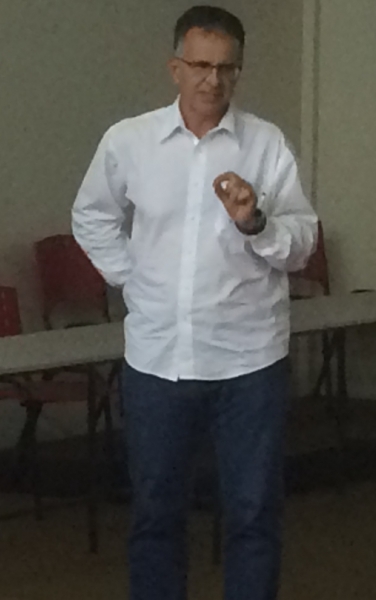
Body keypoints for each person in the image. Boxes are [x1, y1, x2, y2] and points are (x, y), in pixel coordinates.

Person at [71, 6, 317, 600]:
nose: (214, 80)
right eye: (201, 65)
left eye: (227, 68)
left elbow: (303, 243)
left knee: (253, 514)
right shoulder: (129, 141)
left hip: (248, 358)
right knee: (155, 513)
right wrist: (133, 279)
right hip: (159, 358)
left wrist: (256, 222)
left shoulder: (265, 144)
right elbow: (92, 216)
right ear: (175, 68)